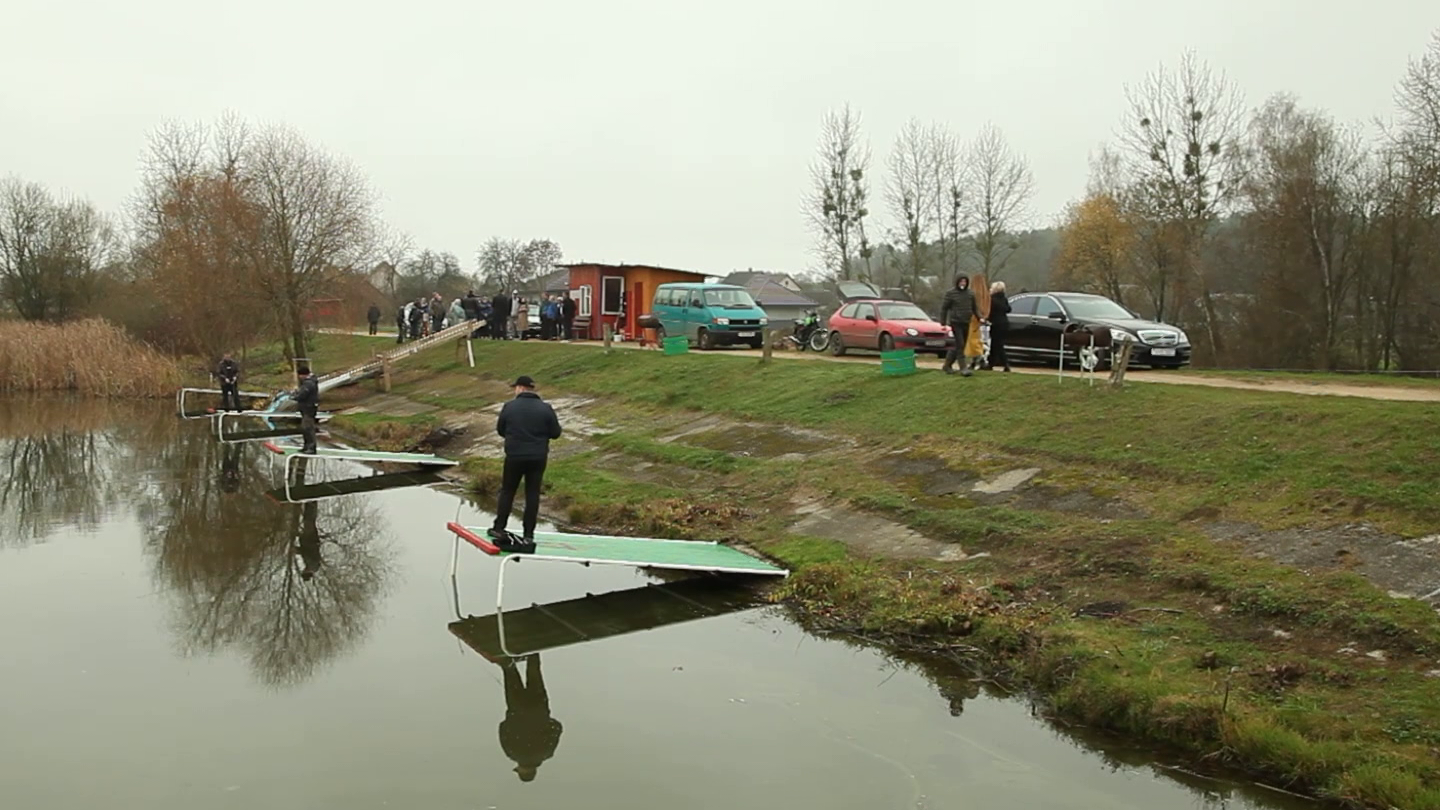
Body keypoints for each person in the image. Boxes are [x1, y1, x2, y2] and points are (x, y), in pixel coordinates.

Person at [488, 375, 562, 552]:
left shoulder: (509, 407)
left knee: (508, 491)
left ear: (520, 388)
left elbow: (500, 430)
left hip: (514, 456)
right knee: (532, 494)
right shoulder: (546, 408)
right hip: (537, 457)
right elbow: (556, 433)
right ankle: (528, 533)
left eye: (516, 387)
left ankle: (499, 528)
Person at [498, 654, 563, 783]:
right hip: (516, 709)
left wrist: (545, 720)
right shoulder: (512, 753)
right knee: (510, 672)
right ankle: (506, 648)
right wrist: (512, 721)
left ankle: (533, 649)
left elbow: (558, 727)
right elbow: (502, 728)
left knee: (535, 673)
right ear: (522, 770)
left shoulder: (547, 752)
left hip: (539, 708)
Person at [939, 275, 978, 377]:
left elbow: (975, 308)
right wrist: (943, 322)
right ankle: (963, 368)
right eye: (961, 281)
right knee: (960, 344)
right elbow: (944, 308)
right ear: (957, 282)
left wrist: (980, 317)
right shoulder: (951, 294)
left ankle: (947, 365)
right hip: (955, 322)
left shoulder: (970, 294)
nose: (963, 284)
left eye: (964, 282)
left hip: (966, 322)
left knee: (959, 345)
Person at [964, 273, 990, 373]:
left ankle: (979, 358)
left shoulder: (973, 293)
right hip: (982, 320)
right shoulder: (986, 294)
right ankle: (977, 360)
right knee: (978, 340)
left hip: (973, 319)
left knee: (973, 341)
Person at [293, 364, 320, 454]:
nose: (299, 378)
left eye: (300, 375)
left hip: (308, 409)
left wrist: (294, 396)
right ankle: (306, 446)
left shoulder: (309, 383)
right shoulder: (309, 382)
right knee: (305, 428)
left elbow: (302, 395)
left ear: (303, 374)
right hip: (307, 408)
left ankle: (311, 447)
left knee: (308, 428)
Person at [295, 500, 323, 581]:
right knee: (309, 520)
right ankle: (312, 501)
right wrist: (297, 550)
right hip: (310, 538)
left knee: (309, 520)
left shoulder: (313, 566)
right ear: (306, 573)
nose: (303, 570)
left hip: (311, 539)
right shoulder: (312, 565)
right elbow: (307, 553)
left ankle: (310, 502)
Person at [988, 281, 1012, 373]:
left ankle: (1006, 364)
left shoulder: (992, 299)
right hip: (1004, 323)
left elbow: (989, 312)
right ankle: (991, 364)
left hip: (996, 324)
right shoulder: (1004, 299)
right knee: (996, 344)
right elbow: (1008, 309)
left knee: (997, 345)